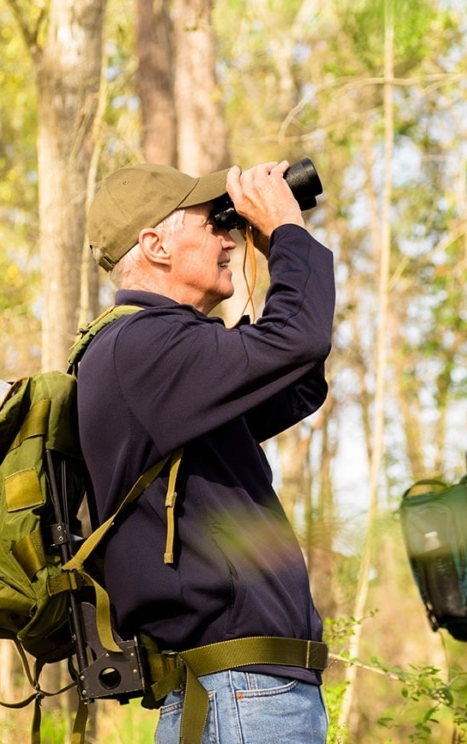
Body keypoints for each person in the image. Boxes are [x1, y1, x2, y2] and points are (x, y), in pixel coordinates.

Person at [77, 160, 335, 743]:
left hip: (239, 694)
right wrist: (290, 235)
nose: (228, 236)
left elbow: (293, 380)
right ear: (156, 244)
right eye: (212, 222)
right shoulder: (140, 345)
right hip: (240, 695)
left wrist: (272, 248)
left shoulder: (153, 352)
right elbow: (298, 339)